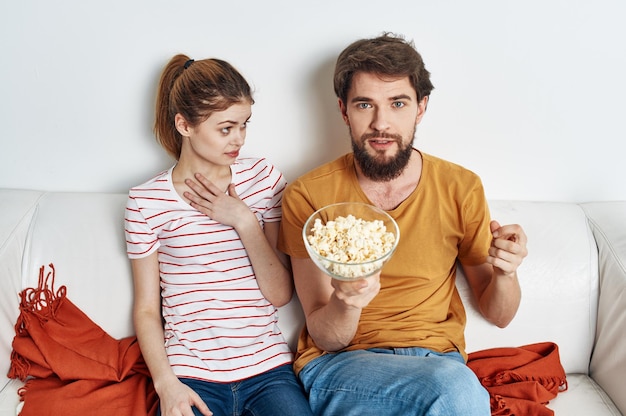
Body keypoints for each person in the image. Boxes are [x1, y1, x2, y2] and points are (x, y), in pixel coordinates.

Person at [277, 32, 528, 415]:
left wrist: (507, 272)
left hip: (439, 360)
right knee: (454, 390)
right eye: (365, 104)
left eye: (397, 103)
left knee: (450, 386)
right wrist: (346, 301)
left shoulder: (460, 187)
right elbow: (327, 338)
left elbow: (500, 315)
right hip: (343, 367)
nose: (382, 123)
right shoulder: (308, 196)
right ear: (344, 110)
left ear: (421, 107)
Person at [124, 55, 313, 416]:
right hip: (190, 376)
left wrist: (243, 220)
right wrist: (167, 385)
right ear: (184, 125)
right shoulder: (146, 201)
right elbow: (147, 309)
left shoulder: (263, 179)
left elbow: (280, 293)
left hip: (268, 372)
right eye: (226, 128)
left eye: (244, 125)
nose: (238, 139)